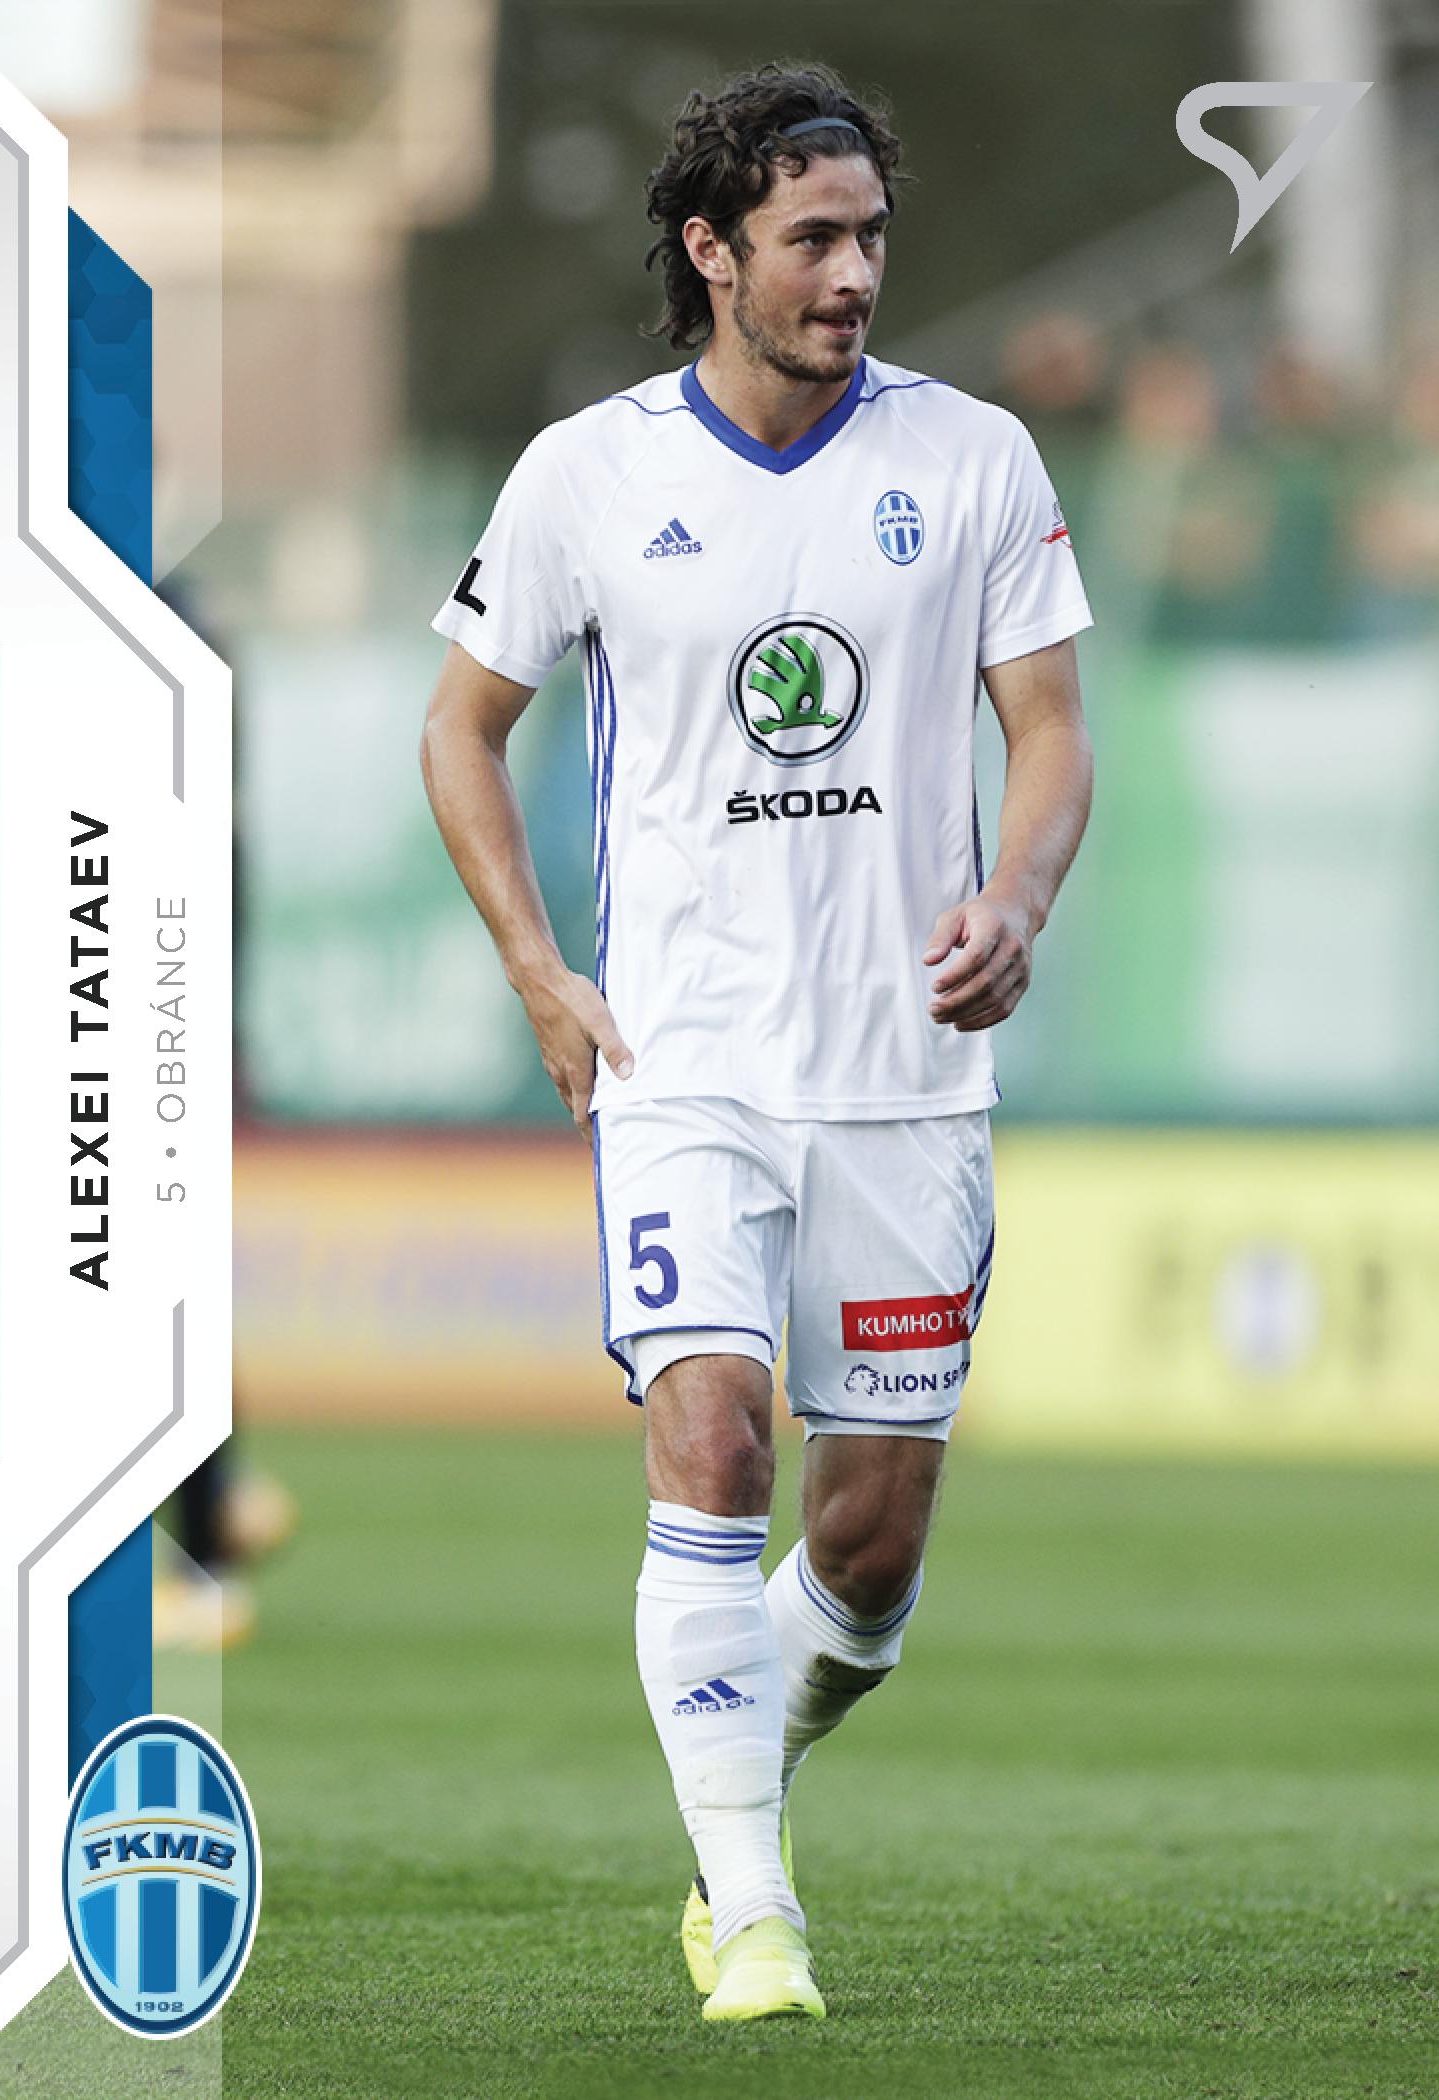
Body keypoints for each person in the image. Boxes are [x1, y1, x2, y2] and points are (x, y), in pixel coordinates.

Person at [421, 60, 1094, 2024]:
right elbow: (462, 727)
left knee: (866, 1554)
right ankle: (754, 1908)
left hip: (905, 1075)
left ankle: (737, 1780)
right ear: (713, 251)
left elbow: (1051, 731)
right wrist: (539, 972)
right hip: (686, 1065)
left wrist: (1018, 899)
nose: (854, 273)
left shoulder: (971, 458)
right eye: (813, 239)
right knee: (712, 1438)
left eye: (870, 235)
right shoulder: (589, 473)